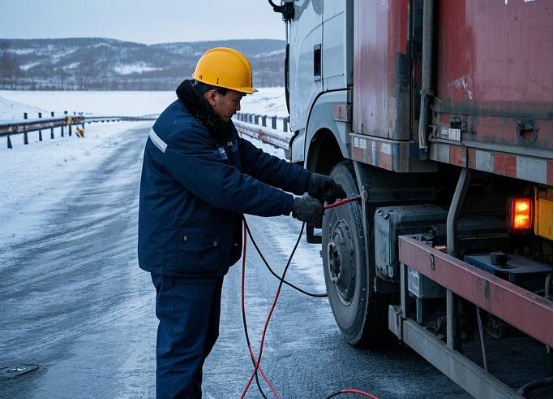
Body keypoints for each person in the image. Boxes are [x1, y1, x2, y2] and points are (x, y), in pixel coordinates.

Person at [138, 47, 346, 399]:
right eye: (237, 98)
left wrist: (308, 180)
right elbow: (228, 188)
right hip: (182, 260)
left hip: (199, 254)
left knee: (198, 343)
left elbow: (254, 161)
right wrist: (293, 206)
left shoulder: (211, 121)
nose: (240, 106)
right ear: (213, 94)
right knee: (182, 354)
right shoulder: (183, 133)